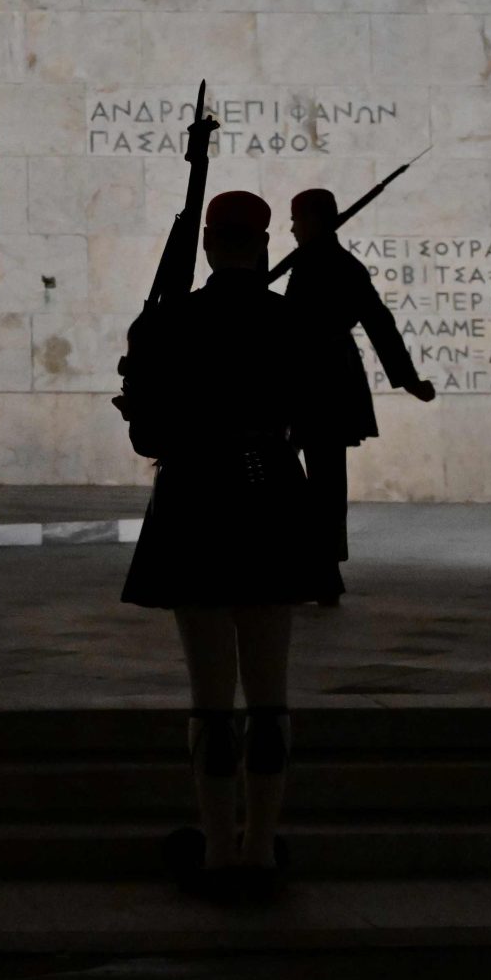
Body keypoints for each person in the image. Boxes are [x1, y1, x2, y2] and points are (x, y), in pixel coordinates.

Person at [118, 190, 340, 900]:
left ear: (210, 244)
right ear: (265, 244)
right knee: (269, 694)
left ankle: (217, 851)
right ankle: (261, 850)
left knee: (211, 698)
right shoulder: (295, 321)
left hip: (198, 499)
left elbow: (149, 437)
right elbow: (318, 417)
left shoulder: (168, 321)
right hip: (272, 493)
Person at [284, 188, 436, 603]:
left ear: (314, 220)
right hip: (318, 377)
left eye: (297, 218)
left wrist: (408, 379)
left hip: (322, 380)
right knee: (317, 480)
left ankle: (323, 571)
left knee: (323, 482)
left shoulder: (331, 264)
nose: (292, 227)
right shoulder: (320, 260)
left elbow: (378, 323)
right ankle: (317, 568)